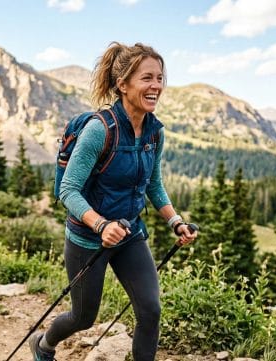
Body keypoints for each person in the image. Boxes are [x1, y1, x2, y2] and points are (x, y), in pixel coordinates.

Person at [29, 42, 198, 361]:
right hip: (87, 238)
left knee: (150, 310)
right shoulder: (99, 130)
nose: (156, 86)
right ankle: (44, 344)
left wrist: (175, 222)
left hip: (130, 234)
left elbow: (153, 183)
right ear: (123, 84)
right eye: (147, 78)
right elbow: (68, 189)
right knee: (83, 317)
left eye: (160, 78)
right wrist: (101, 224)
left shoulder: (153, 132)